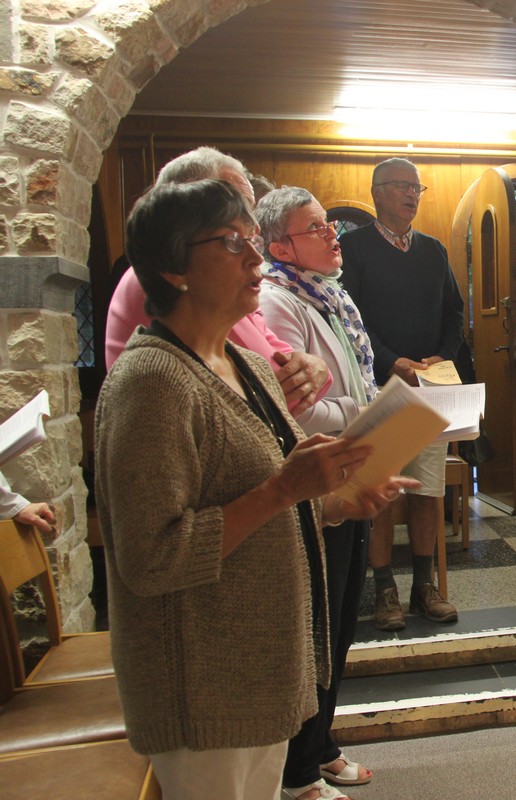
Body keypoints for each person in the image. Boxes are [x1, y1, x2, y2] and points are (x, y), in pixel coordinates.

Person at [95, 179, 409, 800]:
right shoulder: (151, 382)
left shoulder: (247, 364)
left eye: (253, 241)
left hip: (260, 666)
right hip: (202, 682)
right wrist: (285, 489)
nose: (256, 259)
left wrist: (336, 502)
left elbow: (276, 495)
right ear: (173, 268)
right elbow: (152, 558)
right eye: (232, 243)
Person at [256, 187, 381, 799]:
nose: (333, 234)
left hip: (350, 463)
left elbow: (350, 377)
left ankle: (321, 741)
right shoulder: (277, 300)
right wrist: (368, 414)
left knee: (342, 617)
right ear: (281, 246)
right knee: (318, 624)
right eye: (316, 228)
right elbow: (298, 412)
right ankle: (299, 768)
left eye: (330, 224)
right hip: (316, 473)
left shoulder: (329, 295)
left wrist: (367, 414)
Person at [104, 146, 330, 415]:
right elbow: (279, 392)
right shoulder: (176, 280)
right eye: (231, 236)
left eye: (249, 212)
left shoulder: (226, 285)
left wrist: (318, 365)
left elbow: (287, 378)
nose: (256, 255)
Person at [340, 157, 462, 630]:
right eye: (402, 186)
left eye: (417, 188)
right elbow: (351, 320)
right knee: (382, 494)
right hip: (380, 388)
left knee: (428, 492)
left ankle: (424, 588)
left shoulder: (433, 250)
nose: (412, 194)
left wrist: (440, 358)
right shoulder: (353, 249)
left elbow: (454, 312)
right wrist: (393, 361)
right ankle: (384, 590)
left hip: (430, 386)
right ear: (378, 192)